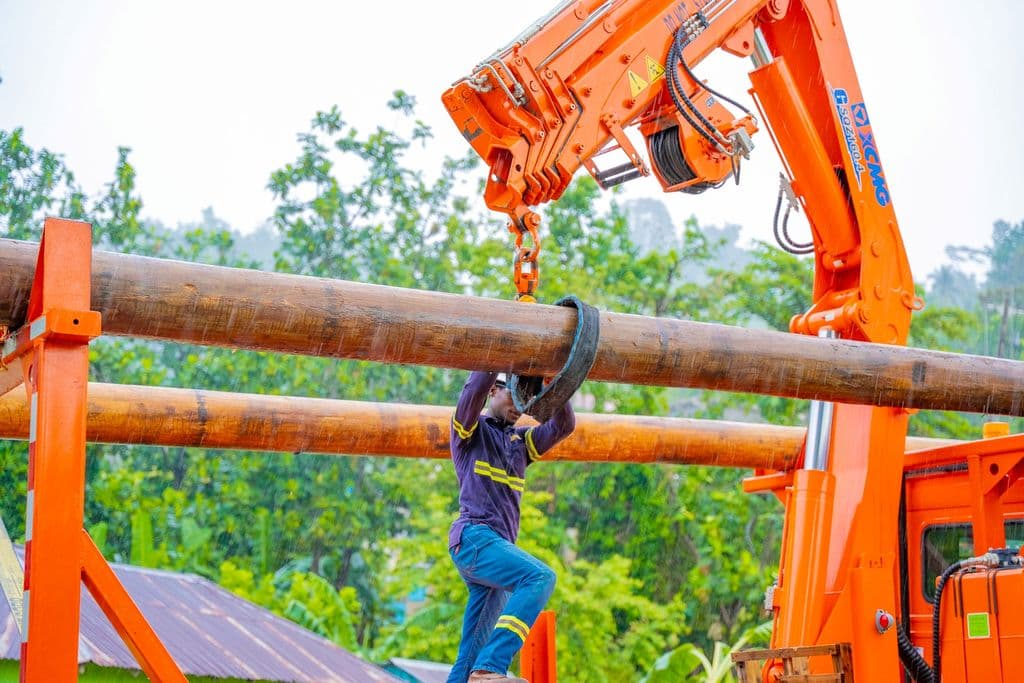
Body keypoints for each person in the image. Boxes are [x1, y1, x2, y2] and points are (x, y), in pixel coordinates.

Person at [446, 371, 576, 683]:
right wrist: (499, 349)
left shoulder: (521, 444)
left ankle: (481, 667)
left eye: (526, 397)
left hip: (494, 556)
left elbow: (564, 425)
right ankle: (492, 665)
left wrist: (553, 381)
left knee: (467, 665)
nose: (520, 403)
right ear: (493, 390)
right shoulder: (470, 432)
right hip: (475, 538)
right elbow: (474, 388)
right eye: (513, 394)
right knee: (539, 577)